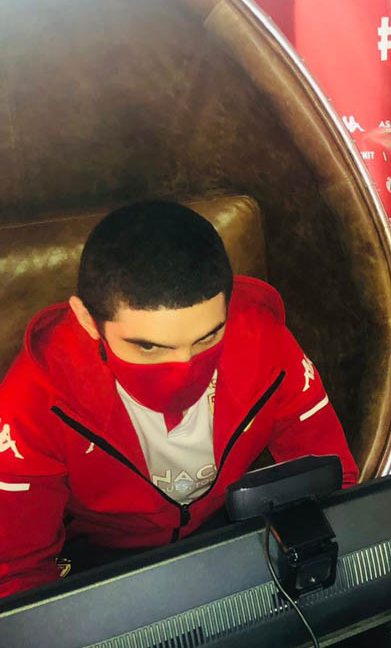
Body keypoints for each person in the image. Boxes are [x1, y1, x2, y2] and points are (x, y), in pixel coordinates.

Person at [0, 201, 359, 599]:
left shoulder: (262, 339)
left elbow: (332, 481)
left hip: (228, 531)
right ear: (87, 320)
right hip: (101, 561)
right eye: (149, 347)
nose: (184, 371)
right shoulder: (35, 399)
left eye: (208, 338)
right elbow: (17, 570)